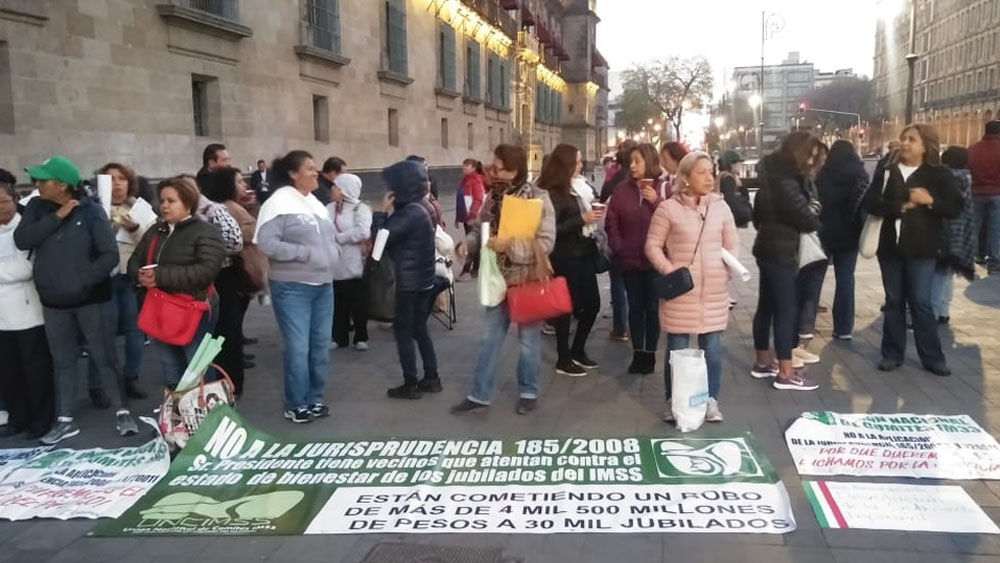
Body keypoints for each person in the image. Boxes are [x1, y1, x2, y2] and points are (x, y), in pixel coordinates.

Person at [14, 156, 139, 444]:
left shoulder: (92, 211)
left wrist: (82, 281)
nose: (37, 185)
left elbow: (108, 254)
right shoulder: (35, 207)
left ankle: (122, 412)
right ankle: (65, 418)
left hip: (91, 300)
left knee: (104, 357)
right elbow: (23, 239)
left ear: (62, 185)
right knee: (63, 361)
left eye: (43, 180)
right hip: (54, 302)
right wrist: (57, 217)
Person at [450, 144, 555, 415]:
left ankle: (528, 391)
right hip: (496, 278)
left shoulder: (537, 197)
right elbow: (480, 228)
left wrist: (508, 244)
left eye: (497, 168)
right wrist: (469, 245)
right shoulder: (492, 197)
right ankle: (479, 394)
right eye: (491, 167)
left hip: (526, 279)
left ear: (514, 170)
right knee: (488, 339)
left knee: (528, 340)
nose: (492, 172)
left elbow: (546, 242)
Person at [864, 124, 963, 376]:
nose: (905, 143)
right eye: (903, 138)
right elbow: (871, 202)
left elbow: (955, 207)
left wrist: (930, 201)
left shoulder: (938, 173)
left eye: (912, 139)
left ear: (925, 145)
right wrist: (904, 205)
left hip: (923, 248)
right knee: (894, 301)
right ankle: (892, 353)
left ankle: (932, 357)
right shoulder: (887, 170)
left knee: (921, 302)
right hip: (890, 248)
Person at [646, 152, 739, 423]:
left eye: (711, 172)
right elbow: (652, 245)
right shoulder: (668, 209)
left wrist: (727, 268)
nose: (710, 178)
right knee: (678, 350)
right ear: (685, 178)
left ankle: (710, 399)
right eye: (702, 172)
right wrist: (668, 268)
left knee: (712, 349)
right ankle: (674, 400)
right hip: (681, 293)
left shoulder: (721, 207)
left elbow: (732, 243)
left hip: (713, 293)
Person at [255, 150, 340, 423]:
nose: (317, 173)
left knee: (320, 346)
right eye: (310, 169)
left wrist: (333, 253)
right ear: (293, 173)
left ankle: (314, 399)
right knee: (298, 347)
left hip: (323, 285)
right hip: (292, 287)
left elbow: (327, 239)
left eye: (316, 169)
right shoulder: (278, 202)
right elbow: (266, 243)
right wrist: (303, 253)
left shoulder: (314, 202)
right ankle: (296, 403)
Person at [128, 177, 224, 389]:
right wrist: (140, 276)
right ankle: (177, 411)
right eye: (162, 201)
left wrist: (160, 276)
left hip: (192, 308)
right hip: (159, 307)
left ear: (188, 203)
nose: (164, 206)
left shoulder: (205, 232)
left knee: (196, 365)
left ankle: (203, 410)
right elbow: (135, 262)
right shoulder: (156, 231)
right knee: (169, 362)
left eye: (171, 201)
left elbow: (206, 271)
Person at [750, 132, 824, 391]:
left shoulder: (769, 177)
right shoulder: (787, 180)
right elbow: (806, 219)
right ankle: (785, 371)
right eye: (810, 154)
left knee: (767, 306)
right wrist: (814, 208)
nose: (813, 160)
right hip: (783, 251)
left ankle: (762, 361)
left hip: (767, 247)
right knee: (786, 309)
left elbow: (757, 216)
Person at [372, 160, 441, 399]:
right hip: (423, 280)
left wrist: (381, 213)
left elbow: (378, 247)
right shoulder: (420, 208)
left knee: (404, 332)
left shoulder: (408, 214)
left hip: (407, 284)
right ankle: (432, 377)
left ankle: (410, 383)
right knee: (420, 329)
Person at [538, 144, 602, 377]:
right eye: (577, 161)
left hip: (584, 252)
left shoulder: (580, 187)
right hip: (564, 256)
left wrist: (592, 216)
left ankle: (577, 349)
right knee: (565, 307)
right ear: (566, 165)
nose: (581, 165)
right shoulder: (553, 193)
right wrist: (582, 219)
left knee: (593, 304)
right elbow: (551, 229)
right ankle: (564, 358)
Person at [0, 178, 54, 439]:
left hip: (27, 311)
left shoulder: (26, 228)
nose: (0, 207)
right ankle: (16, 417)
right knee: (8, 372)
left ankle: (41, 419)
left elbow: (27, 268)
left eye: (3, 201)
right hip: (1, 317)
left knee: (35, 371)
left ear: (14, 200)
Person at [606, 143, 664, 374]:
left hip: (655, 261)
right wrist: (618, 246)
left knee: (653, 307)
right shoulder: (621, 190)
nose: (632, 166)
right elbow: (612, 221)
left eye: (637, 161)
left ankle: (650, 352)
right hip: (629, 259)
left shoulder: (664, 188)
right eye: (631, 161)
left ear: (649, 162)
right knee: (635, 306)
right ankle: (638, 352)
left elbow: (673, 219)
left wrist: (656, 201)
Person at [97, 162, 151, 400]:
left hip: (130, 278)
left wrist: (135, 228)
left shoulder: (140, 208)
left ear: (129, 182)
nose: (116, 183)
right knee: (102, 333)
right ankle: (98, 384)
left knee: (135, 330)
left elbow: (151, 242)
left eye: (121, 178)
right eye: (110, 178)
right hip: (104, 279)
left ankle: (131, 377)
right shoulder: (94, 209)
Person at [203, 167, 256, 396]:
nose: (243, 185)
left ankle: (228, 381)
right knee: (226, 330)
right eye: (238, 181)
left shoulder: (231, 207)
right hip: (226, 274)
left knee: (227, 330)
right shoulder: (222, 209)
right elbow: (240, 239)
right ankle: (230, 382)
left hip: (232, 275)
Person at [816, 140, 869, 340]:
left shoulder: (823, 174)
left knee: (816, 278)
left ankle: (805, 323)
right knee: (846, 279)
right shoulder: (860, 175)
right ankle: (844, 328)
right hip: (850, 234)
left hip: (824, 233)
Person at [932, 146, 977, 324]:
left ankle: (934, 310)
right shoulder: (967, 177)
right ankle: (944, 309)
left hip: (945, 228)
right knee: (948, 271)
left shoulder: (945, 178)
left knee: (938, 271)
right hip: (961, 228)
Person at [329, 173, 372, 351]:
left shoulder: (360, 208)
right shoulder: (329, 208)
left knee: (357, 302)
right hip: (333, 263)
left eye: (336, 186)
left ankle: (361, 337)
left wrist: (339, 238)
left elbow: (362, 231)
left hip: (354, 263)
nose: (332, 189)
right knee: (337, 303)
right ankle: (339, 337)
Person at [968, 120, 1000, 274]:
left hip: (977, 193)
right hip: (997, 194)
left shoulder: (973, 149)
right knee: (995, 230)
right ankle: (994, 264)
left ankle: (973, 258)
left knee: (975, 227)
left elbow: (967, 170)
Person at [456, 159, 487, 281]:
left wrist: (473, 215)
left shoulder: (475, 180)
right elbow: (460, 201)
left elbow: (478, 199)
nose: (464, 167)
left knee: (469, 244)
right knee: (475, 243)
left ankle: (466, 270)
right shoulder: (465, 181)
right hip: (466, 216)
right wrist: (458, 218)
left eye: (467, 165)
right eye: (463, 165)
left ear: (474, 168)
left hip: (473, 217)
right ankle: (476, 269)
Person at [717, 149, 753, 228]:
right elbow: (731, 201)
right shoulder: (728, 179)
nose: (740, 165)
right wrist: (741, 187)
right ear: (731, 164)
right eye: (739, 163)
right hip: (729, 222)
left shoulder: (721, 176)